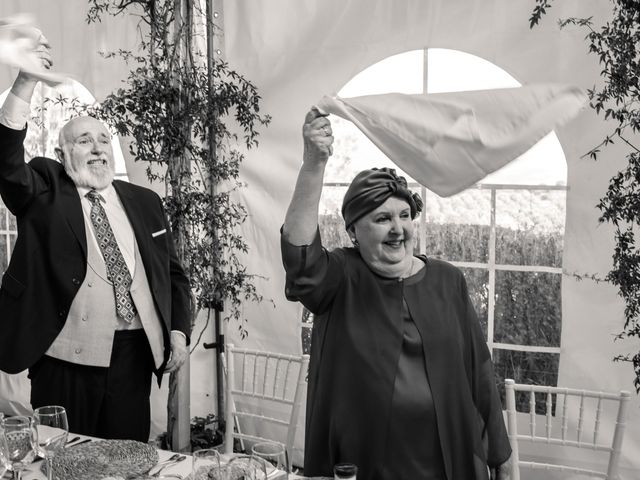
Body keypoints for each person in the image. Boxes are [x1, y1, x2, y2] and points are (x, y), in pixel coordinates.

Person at [281, 108, 512, 480]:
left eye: (404, 216)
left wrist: (500, 455)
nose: (398, 228)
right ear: (354, 231)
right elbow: (300, 260)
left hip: (447, 458)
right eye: (383, 218)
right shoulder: (341, 278)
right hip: (364, 461)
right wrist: (313, 164)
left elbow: (479, 372)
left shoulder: (448, 281)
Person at [0, 30, 191, 442]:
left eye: (104, 139)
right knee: (64, 461)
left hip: (134, 358)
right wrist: (26, 82)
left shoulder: (145, 201)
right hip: (62, 359)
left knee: (126, 460)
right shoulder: (47, 186)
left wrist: (178, 330)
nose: (99, 147)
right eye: (84, 140)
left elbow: (174, 276)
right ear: (62, 153)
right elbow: (5, 163)